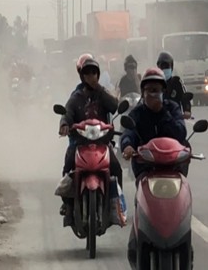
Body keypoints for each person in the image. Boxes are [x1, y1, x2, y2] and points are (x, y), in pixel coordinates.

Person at [119, 67, 187, 268]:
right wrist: (128, 146)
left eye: (157, 90)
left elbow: (181, 132)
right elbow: (127, 133)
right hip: (146, 170)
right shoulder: (137, 113)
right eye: (149, 90)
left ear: (163, 91)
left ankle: (183, 232)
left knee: (183, 201)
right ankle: (138, 238)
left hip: (172, 169)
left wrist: (163, 112)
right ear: (143, 92)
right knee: (141, 205)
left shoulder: (173, 109)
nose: (153, 94)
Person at [58, 54, 122, 225]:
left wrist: (100, 89)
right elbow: (67, 113)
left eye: (94, 73)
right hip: (80, 144)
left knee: (116, 167)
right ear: (82, 76)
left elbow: (115, 106)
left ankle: (115, 203)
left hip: (102, 143)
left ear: (98, 75)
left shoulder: (103, 94)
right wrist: (64, 124)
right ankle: (67, 204)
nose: (91, 76)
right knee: (68, 163)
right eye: (87, 73)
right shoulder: (76, 97)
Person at [156, 51, 192, 119]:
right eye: (162, 66)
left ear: (171, 67)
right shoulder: (152, 84)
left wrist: (187, 110)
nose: (164, 69)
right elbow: (144, 99)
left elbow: (185, 96)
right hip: (157, 122)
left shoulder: (177, 82)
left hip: (175, 121)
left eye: (166, 66)